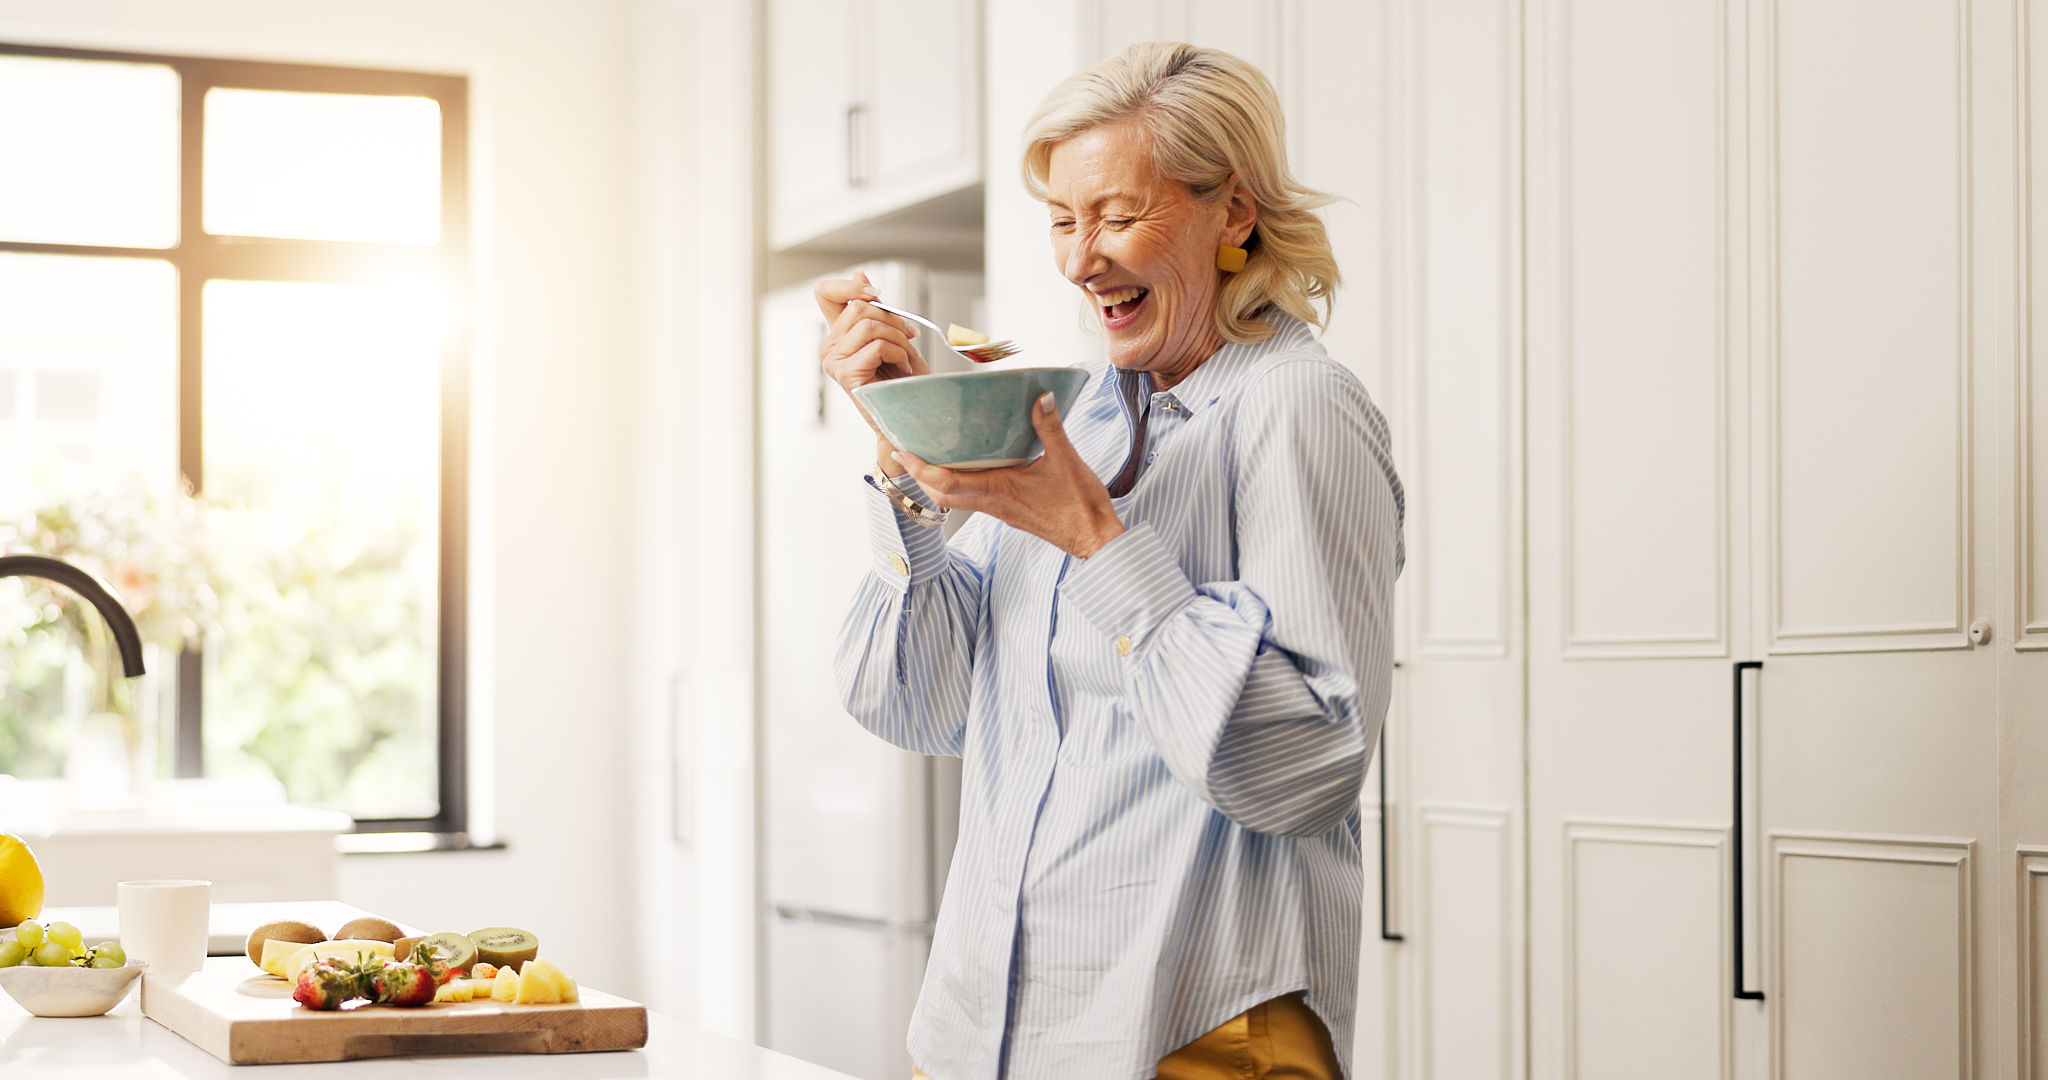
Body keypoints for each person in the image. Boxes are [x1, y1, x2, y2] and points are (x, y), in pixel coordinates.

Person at [812, 41, 1404, 1080]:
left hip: (1185, 1034)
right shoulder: (1077, 413)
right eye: (1061, 220)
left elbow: (1302, 769)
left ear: (1234, 211)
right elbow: (924, 705)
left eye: (1118, 216)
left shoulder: (1294, 409)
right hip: (975, 1035)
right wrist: (907, 467)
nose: (1081, 260)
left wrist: (1095, 540)